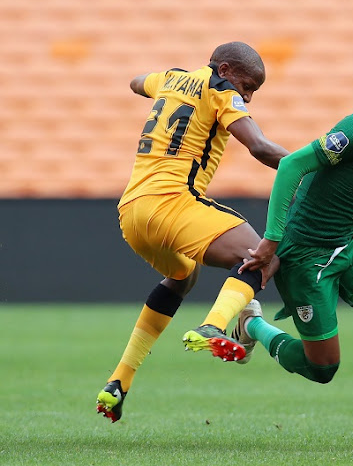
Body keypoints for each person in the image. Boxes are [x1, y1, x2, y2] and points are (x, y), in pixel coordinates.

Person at [234, 60, 353, 451]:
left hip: (352, 241)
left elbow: (351, 190)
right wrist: (272, 239)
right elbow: (291, 166)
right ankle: (252, 327)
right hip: (308, 254)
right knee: (321, 368)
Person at [96, 42, 289, 423]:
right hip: (173, 203)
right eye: (247, 85)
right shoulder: (221, 90)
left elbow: (137, 82)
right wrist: (312, 167)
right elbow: (260, 147)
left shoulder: (171, 79)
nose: (247, 96)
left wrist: (162, 82)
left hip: (132, 212)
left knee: (183, 274)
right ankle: (214, 325)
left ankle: (119, 381)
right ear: (227, 68)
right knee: (263, 254)